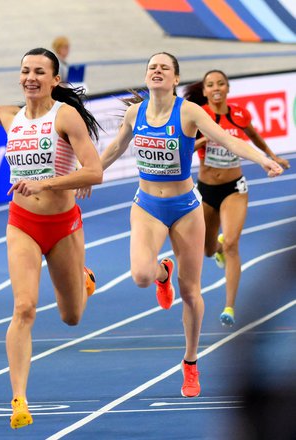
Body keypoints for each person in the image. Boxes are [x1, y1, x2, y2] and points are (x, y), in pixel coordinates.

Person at [98, 53, 283, 399]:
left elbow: (229, 140)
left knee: (191, 293)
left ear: (174, 79)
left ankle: (190, 361)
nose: (156, 71)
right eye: (152, 67)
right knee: (140, 275)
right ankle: (161, 274)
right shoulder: (134, 113)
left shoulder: (188, 112)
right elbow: (113, 150)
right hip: (147, 205)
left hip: (185, 208)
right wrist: (87, 172)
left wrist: (263, 159)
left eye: (163, 68)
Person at [0, 38, 102, 430]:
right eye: (26, 71)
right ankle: (19, 399)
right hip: (23, 224)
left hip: (62, 226)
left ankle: (83, 279)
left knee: (72, 316)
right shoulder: (7, 115)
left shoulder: (66, 117)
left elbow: (95, 171)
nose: (31, 77)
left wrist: (47, 182)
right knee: (24, 308)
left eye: (39, 72)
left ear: (54, 79)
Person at [183, 70, 290, 328]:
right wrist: (205, 140)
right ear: (205, 91)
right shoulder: (198, 117)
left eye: (221, 83)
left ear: (228, 88)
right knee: (209, 249)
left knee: (232, 243)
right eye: (211, 85)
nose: (216, 88)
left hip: (234, 187)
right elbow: (183, 148)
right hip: (207, 190)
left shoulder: (239, 114)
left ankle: (229, 307)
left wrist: (271, 156)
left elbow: (253, 136)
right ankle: (216, 248)